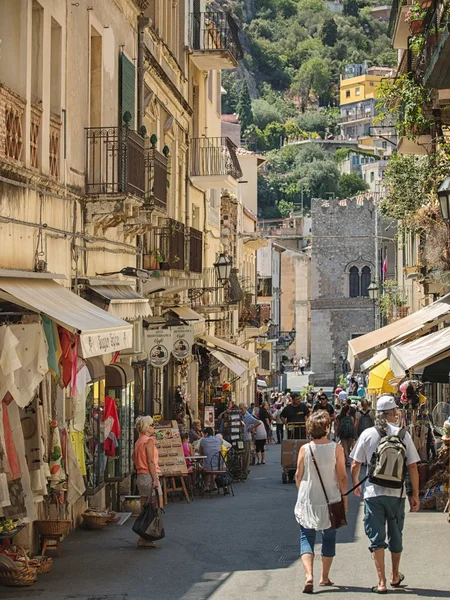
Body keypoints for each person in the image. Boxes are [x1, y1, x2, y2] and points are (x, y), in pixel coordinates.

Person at [350, 395, 420, 594]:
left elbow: (355, 463)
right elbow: (413, 466)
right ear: (394, 413)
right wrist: (414, 494)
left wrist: (356, 483)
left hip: (373, 493)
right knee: (396, 536)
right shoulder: (403, 434)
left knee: (376, 538)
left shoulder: (367, 434)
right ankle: (395, 575)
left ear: (376, 413)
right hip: (396, 494)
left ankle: (381, 582)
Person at [294, 411, 348, 594]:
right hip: (331, 499)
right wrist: (344, 498)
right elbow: (342, 476)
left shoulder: (305, 449)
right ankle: (324, 577)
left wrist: (302, 492)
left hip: (308, 498)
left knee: (306, 537)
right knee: (329, 537)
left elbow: (298, 475)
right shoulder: (336, 448)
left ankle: (309, 575)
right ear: (327, 428)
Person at [133, 415, 162, 548]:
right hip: (149, 475)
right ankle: (147, 536)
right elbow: (150, 461)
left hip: (140, 476)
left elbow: (134, 458)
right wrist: (155, 479)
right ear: (145, 427)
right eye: (151, 425)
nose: (153, 427)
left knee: (145, 508)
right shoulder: (149, 441)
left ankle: (142, 536)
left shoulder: (139, 441)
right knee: (153, 506)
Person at [239, 403, 263, 477]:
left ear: (245, 408)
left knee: (246, 455)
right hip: (240, 438)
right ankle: (242, 470)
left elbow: (259, 422)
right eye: (239, 409)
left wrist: (252, 427)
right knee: (241, 455)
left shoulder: (248, 416)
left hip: (246, 438)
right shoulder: (240, 416)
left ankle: (245, 472)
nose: (240, 410)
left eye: (241, 409)